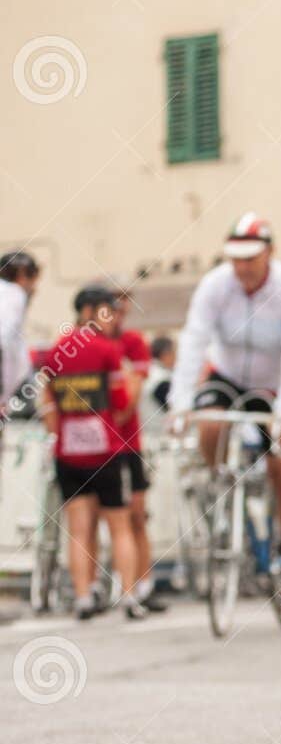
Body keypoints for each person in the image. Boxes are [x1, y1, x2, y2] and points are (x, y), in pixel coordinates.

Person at [169, 213, 281, 606]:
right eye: (235, 259)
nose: (242, 268)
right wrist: (180, 403)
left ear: (270, 253)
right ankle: (221, 487)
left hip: (273, 382)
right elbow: (194, 340)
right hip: (228, 373)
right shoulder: (215, 285)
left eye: (250, 259)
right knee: (210, 425)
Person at [37, 286, 145, 621]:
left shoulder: (56, 351)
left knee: (79, 528)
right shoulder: (106, 351)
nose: (113, 319)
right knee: (120, 525)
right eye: (107, 311)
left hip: (68, 454)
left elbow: (48, 406)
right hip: (107, 452)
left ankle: (83, 596)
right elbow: (122, 404)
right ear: (89, 312)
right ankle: (128, 595)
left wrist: (60, 433)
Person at [105, 286, 166, 612]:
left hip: (127, 443)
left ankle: (143, 585)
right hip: (97, 449)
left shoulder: (132, 343)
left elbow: (129, 400)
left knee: (137, 516)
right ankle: (107, 586)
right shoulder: (89, 344)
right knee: (102, 519)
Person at [1, 250, 42, 409]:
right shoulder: (13, 294)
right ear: (22, 275)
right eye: (33, 279)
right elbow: (3, 341)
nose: (34, 287)